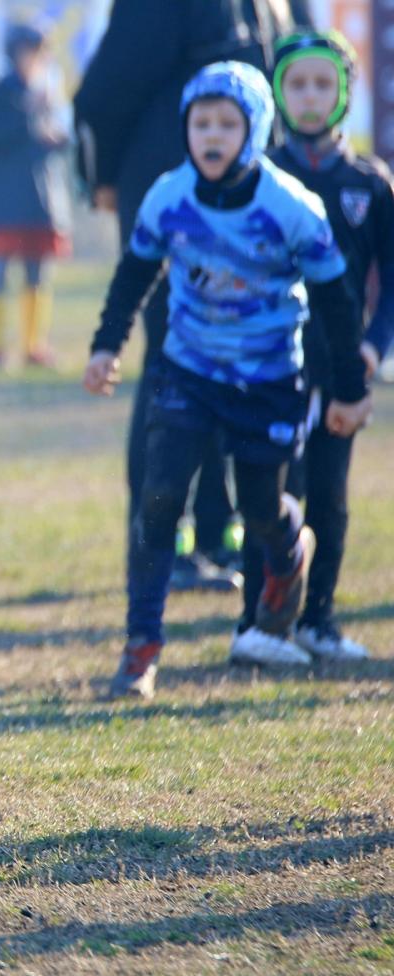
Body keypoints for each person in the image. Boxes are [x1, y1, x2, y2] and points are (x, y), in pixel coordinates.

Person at [81, 62, 372, 699]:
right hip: (187, 371)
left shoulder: (292, 207)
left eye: (226, 125)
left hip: (269, 380)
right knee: (159, 499)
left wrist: (350, 389)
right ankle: (141, 646)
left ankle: (288, 548)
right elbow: (133, 277)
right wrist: (106, 346)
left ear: (255, 131)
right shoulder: (168, 196)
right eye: (201, 123)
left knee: (260, 508)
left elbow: (336, 303)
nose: (211, 136)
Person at [73, 0, 310, 594]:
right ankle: (159, 539)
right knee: (176, 363)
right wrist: (104, 177)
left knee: (239, 361)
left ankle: (217, 532)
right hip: (177, 198)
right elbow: (104, 91)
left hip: (252, 202)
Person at [232, 29, 392, 664]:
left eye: (323, 84)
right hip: (273, 369)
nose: (308, 96)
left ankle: (317, 620)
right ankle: (257, 623)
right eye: (296, 84)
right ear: (278, 94)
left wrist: (372, 351)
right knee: (270, 498)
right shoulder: (260, 176)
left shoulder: (370, 183)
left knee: (329, 497)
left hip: (342, 370)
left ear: (345, 94)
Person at [0, 21, 70, 370]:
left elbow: (50, 142)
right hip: (5, 202)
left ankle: (33, 346)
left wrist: (54, 138)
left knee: (37, 275)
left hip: (39, 202)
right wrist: (28, 120)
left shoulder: (43, 94)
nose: (39, 58)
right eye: (32, 51)